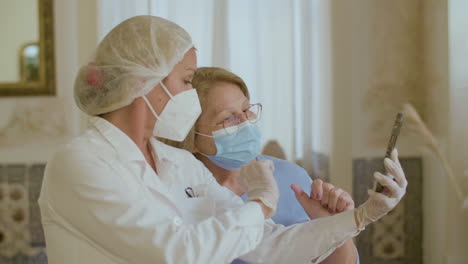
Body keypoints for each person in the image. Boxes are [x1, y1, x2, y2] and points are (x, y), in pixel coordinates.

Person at [38, 16, 407, 264]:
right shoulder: (81, 163)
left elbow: (267, 245)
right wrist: (262, 202)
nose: (189, 93)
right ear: (144, 82)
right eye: (186, 81)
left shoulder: (175, 162)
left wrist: (362, 215)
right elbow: (175, 253)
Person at [159, 67, 360, 263]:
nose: (246, 122)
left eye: (247, 109)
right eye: (229, 118)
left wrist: (336, 227)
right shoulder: (177, 188)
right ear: (192, 138)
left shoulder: (293, 180)